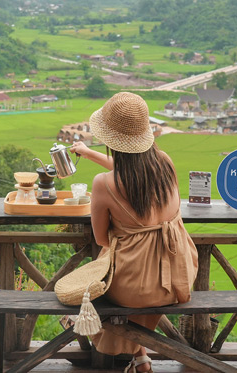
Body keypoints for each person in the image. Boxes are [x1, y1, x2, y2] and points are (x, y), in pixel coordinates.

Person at [71, 92, 198, 373]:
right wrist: (90, 153)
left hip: (136, 288)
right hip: (179, 276)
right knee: (140, 271)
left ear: (110, 137)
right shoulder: (164, 163)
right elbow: (135, 173)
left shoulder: (103, 184)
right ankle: (140, 358)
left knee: (99, 276)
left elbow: (102, 239)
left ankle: (77, 326)